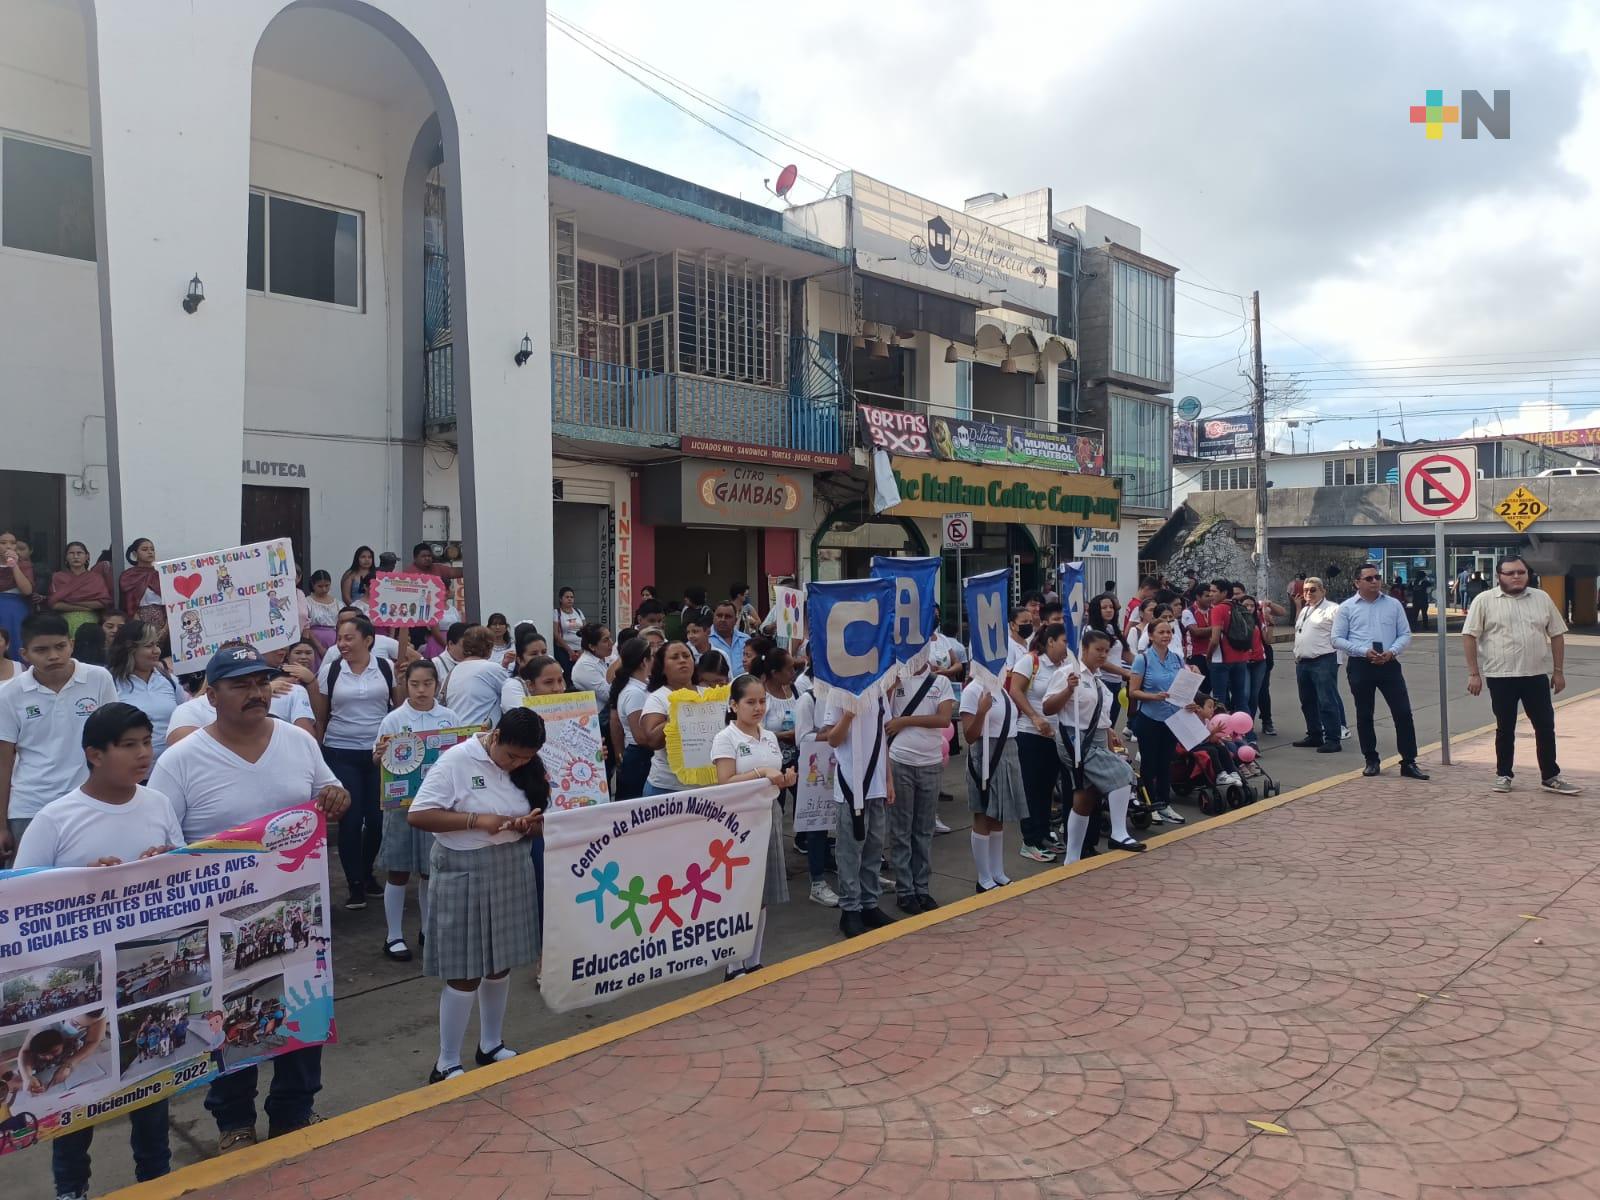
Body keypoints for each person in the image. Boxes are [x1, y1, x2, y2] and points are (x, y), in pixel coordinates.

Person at [146, 642, 348, 1151]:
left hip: (299, 912)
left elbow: (329, 792)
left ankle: (294, 1111)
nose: (257, 693)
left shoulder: (298, 742)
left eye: (261, 683)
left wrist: (337, 797)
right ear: (211, 696)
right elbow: (164, 843)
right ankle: (234, 1122)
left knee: (301, 1011)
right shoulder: (181, 760)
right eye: (241, 685)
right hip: (220, 922)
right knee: (231, 1022)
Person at [407, 708, 547, 1082]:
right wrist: (475, 821)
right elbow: (419, 814)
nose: (517, 764)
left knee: (500, 964)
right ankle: (446, 1061)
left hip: (509, 865)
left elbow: (541, 818)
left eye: (526, 758)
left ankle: (491, 1044)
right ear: (495, 736)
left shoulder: (528, 766)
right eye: (511, 755)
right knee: (464, 970)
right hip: (464, 868)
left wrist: (527, 824)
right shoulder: (457, 760)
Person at [0, 613, 118, 855]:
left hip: (90, 799)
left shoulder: (98, 678)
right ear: (24, 654)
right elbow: (3, 763)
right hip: (30, 807)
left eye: (60, 646)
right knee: (34, 886)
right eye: (41, 650)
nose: (53, 655)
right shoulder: (9, 694)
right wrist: (1, 825)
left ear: (71, 645)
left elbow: (113, 741)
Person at [1462, 556, 1580, 795]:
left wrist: (1558, 672)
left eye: (1521, 572)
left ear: (1528, 574)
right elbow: (1469, 636)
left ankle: (1550, 776)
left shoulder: (1541, 598)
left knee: (1545, 727)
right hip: (1501, 676)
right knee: (1505, 728)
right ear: (1499, 577)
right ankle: (1504, 774)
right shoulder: (1484, 601)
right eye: (1510, 573)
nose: (1516, 577)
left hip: (1535, 676)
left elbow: (1557, 634)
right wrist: (1474, 673)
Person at [373, 659, 462, 962]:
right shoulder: (394, 719)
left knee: (429, 871)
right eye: (415, 684)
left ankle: (427, 929)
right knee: (398, 871)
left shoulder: (450, 717)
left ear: (437, 684)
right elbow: (378, 759)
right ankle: (393, 935)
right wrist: (380, 755)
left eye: (427, 683)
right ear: (405, 685)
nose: (422, 690)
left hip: (436, 804)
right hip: (400, 805)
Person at [710, 674, 795, 976]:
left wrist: (784, 779)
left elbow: (774, 777)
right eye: (750, 702)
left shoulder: (769, 736)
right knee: (740, 892)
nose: (758, 707)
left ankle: (754, 959)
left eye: (762, 701)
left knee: (762, 893)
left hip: (768, 815)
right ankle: (733, 964)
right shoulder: (726, 738)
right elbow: (725, 783)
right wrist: (762, 773)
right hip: (737, 823)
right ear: (733, 705)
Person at [316, 615, 396, 909]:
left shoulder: (386, 668)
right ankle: (354, 883)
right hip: (341, 751)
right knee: (350, 820)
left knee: (376, 821)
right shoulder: (331, 670)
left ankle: (367, 871)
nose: (342, 644)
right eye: (339, 638)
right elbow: (321, 716)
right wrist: (319, 753)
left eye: (349, 638)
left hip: (379, 754)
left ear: (368, 639)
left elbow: (396, 710)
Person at [1044, 629, 1142, 861]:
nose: (1102, 655)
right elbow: (1048, 708)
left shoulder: (1096, 679)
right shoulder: (1068, 673)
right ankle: (1118, 832)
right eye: (1098, 650)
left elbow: (1099, 715)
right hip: (1075, 739)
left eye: (1106, 651)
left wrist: (1109, 733)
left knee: (1085, 797)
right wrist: (1068, 689)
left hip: (1097, 738)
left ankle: (1072, 857)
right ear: (1084, 649)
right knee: (1123, 774)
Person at [1333, 564, 1427, 780]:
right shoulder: (1347, 607)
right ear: (1357, 582)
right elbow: (1337, 638)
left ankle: (1409, 761)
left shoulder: (1393, 604)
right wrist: (1363, 651)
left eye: (1377, 577)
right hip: (1361, 664)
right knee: (1365, 714)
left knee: (1403, 712)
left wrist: (1392, 652)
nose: (1375, 581)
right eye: (1369, 578)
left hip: (1389, 663)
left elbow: (1405, 634)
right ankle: (1371, 759)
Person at [822, 690, 895, 938]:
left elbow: (881, 738)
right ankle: (850, 908)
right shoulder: (838, 693)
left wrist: (889, 779)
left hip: (876, 784)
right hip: (850, 784)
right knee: (850, 850)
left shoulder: (878, 693)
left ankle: (869, 904)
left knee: (874, 846)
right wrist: (849, 715)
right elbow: (832, 739)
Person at [885, 656, 954, 913]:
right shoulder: (896, 678)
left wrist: (905, 721)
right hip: (900, 761)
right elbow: (884, 713)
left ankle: (922, 887)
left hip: (931, 762)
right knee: (901, 829)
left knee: (923, 830)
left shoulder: (941, 682)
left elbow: (943, 719)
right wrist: (893, 682)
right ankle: (905, 890)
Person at [1008, 623, 1076, 862]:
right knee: (1031, 789)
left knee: (1047, 790)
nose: (1067, 646)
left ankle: (1043, 833)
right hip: (1030, 735)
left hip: (1056, 736)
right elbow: (1015, 690)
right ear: (1050, 642)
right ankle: (1029, 841)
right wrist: (1035, 717)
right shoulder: (1031, 661)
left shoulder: (1066, 666)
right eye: (1064, 641)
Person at [1127, 617, 1194, 832]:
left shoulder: (1176, 658)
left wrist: (1190, 702)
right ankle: (1150, 803)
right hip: (1149, 718)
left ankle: (1165, 804)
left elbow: (1183, 687)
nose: (1166, 635)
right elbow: (1132, 692)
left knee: (1166, 762)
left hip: (1172, 717)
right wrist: (1153, 696)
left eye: (1169, 632)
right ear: (1151, 635)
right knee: (1149, 762)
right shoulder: (1143, 659)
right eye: (1161, 632)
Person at [959, 674, 1021, 894]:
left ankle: (997, 872)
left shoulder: (1001, 690)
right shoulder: (973, 690)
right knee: (983, 813)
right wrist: (982, 711)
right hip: (985, 754)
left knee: (998, 814)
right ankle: (983, 877)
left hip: (1008, 752)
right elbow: (969, 735)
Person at [109, 620, 185, 761]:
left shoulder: (169, 679)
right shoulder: (111, 682)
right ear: (130, 648)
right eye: (149, 646)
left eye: (156, 644)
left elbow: (186, 712)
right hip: (131, 771)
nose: (157, 651)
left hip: (172, 768)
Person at [639, 642, 700, 796]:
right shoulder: (657, 698)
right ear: (663, 668)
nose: (682, 660)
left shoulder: (709, 694)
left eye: (686, 656)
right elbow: (653, 740)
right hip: (667, 787)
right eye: (675, 657)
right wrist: (680, 712)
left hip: (707, 786)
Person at [1291, 577, 1344, 753]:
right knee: (1307, 701)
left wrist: (1337, 659)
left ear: (1323, 591)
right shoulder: (1306, 609)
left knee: (1326, 701)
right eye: (1305, 590)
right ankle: (1314, 734)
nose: (1308, 593)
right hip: (1303, 661)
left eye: (1313, 589)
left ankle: (1333, 738)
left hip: (1323, 659)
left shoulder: (1333, 609)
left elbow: (1341, 634)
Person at [611, 638, 655, 801]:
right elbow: (640, 736)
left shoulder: (643, 686)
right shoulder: (633, 692)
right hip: (639, 757)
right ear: (644, 661)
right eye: (651, 657)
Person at [440, 626, 506, 729]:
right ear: (489, 647)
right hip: (480, 737)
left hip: (456, 735)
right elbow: (511, 693)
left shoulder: (453, 671)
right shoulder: (492, 668)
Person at [47, 541, 112, 638]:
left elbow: (102, 603)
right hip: (64, 623)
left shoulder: (95, 578)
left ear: (87, 556)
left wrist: (70, 602)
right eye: (71, 553)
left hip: (91, 623)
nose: (75, 556)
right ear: (66, 557)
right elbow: (55, 604)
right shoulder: (58, 577)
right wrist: (86, 607)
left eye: (79, 553)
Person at [0, 532, 35, 659]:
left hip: (15, 609)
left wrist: (14, 565)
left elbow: (27, 590)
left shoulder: (24, 565)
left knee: (16, 641)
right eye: (3, 543)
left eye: (12, 543)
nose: (8, 546)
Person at [569, 623, 615, 712]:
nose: (611, 643)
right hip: (598, 719)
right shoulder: (585, 666)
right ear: (592, 646)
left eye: (610, 638)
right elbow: (609, 695)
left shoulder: (602, 658)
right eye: (606, 640)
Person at [501, 651, 565, 713]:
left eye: (560, 681)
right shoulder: (521, 716)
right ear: (530, 686)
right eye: (548, 682)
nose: (557, 688)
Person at [118, 538, 163, 626]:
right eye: (145, 549)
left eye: (152, 549)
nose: (150, 552)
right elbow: (129, 602)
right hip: (139, 621)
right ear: (135, 554)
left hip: (164, 621)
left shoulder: (161, 573)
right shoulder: (129, 575)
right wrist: (137, 624)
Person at [304, 571, 341, 659]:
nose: (324, 589)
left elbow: (340, 624)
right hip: (313, 640)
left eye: (327, 586)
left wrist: (337, 643)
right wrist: (319, 647)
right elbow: (306, 626)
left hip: (334, 639)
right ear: (313, 585)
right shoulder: (307, 602)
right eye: (320, 586)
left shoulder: (338, 603)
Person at [708, 601, 749, 668]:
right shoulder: (704, 640)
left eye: (728, 616)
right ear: (713, 618)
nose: (723, 619)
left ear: (735, 621)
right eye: (719, 616)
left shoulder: (746, 640)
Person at [552, 587, 585, 660]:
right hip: (563, 650)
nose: (570, 599)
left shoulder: (578, 612)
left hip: (580, 650)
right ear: (561, 599)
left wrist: (582, 649)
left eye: (572, 597)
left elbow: (585, 630)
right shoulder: (556, 613)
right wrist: (569, 650)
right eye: (567, 597)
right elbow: (556, 634)